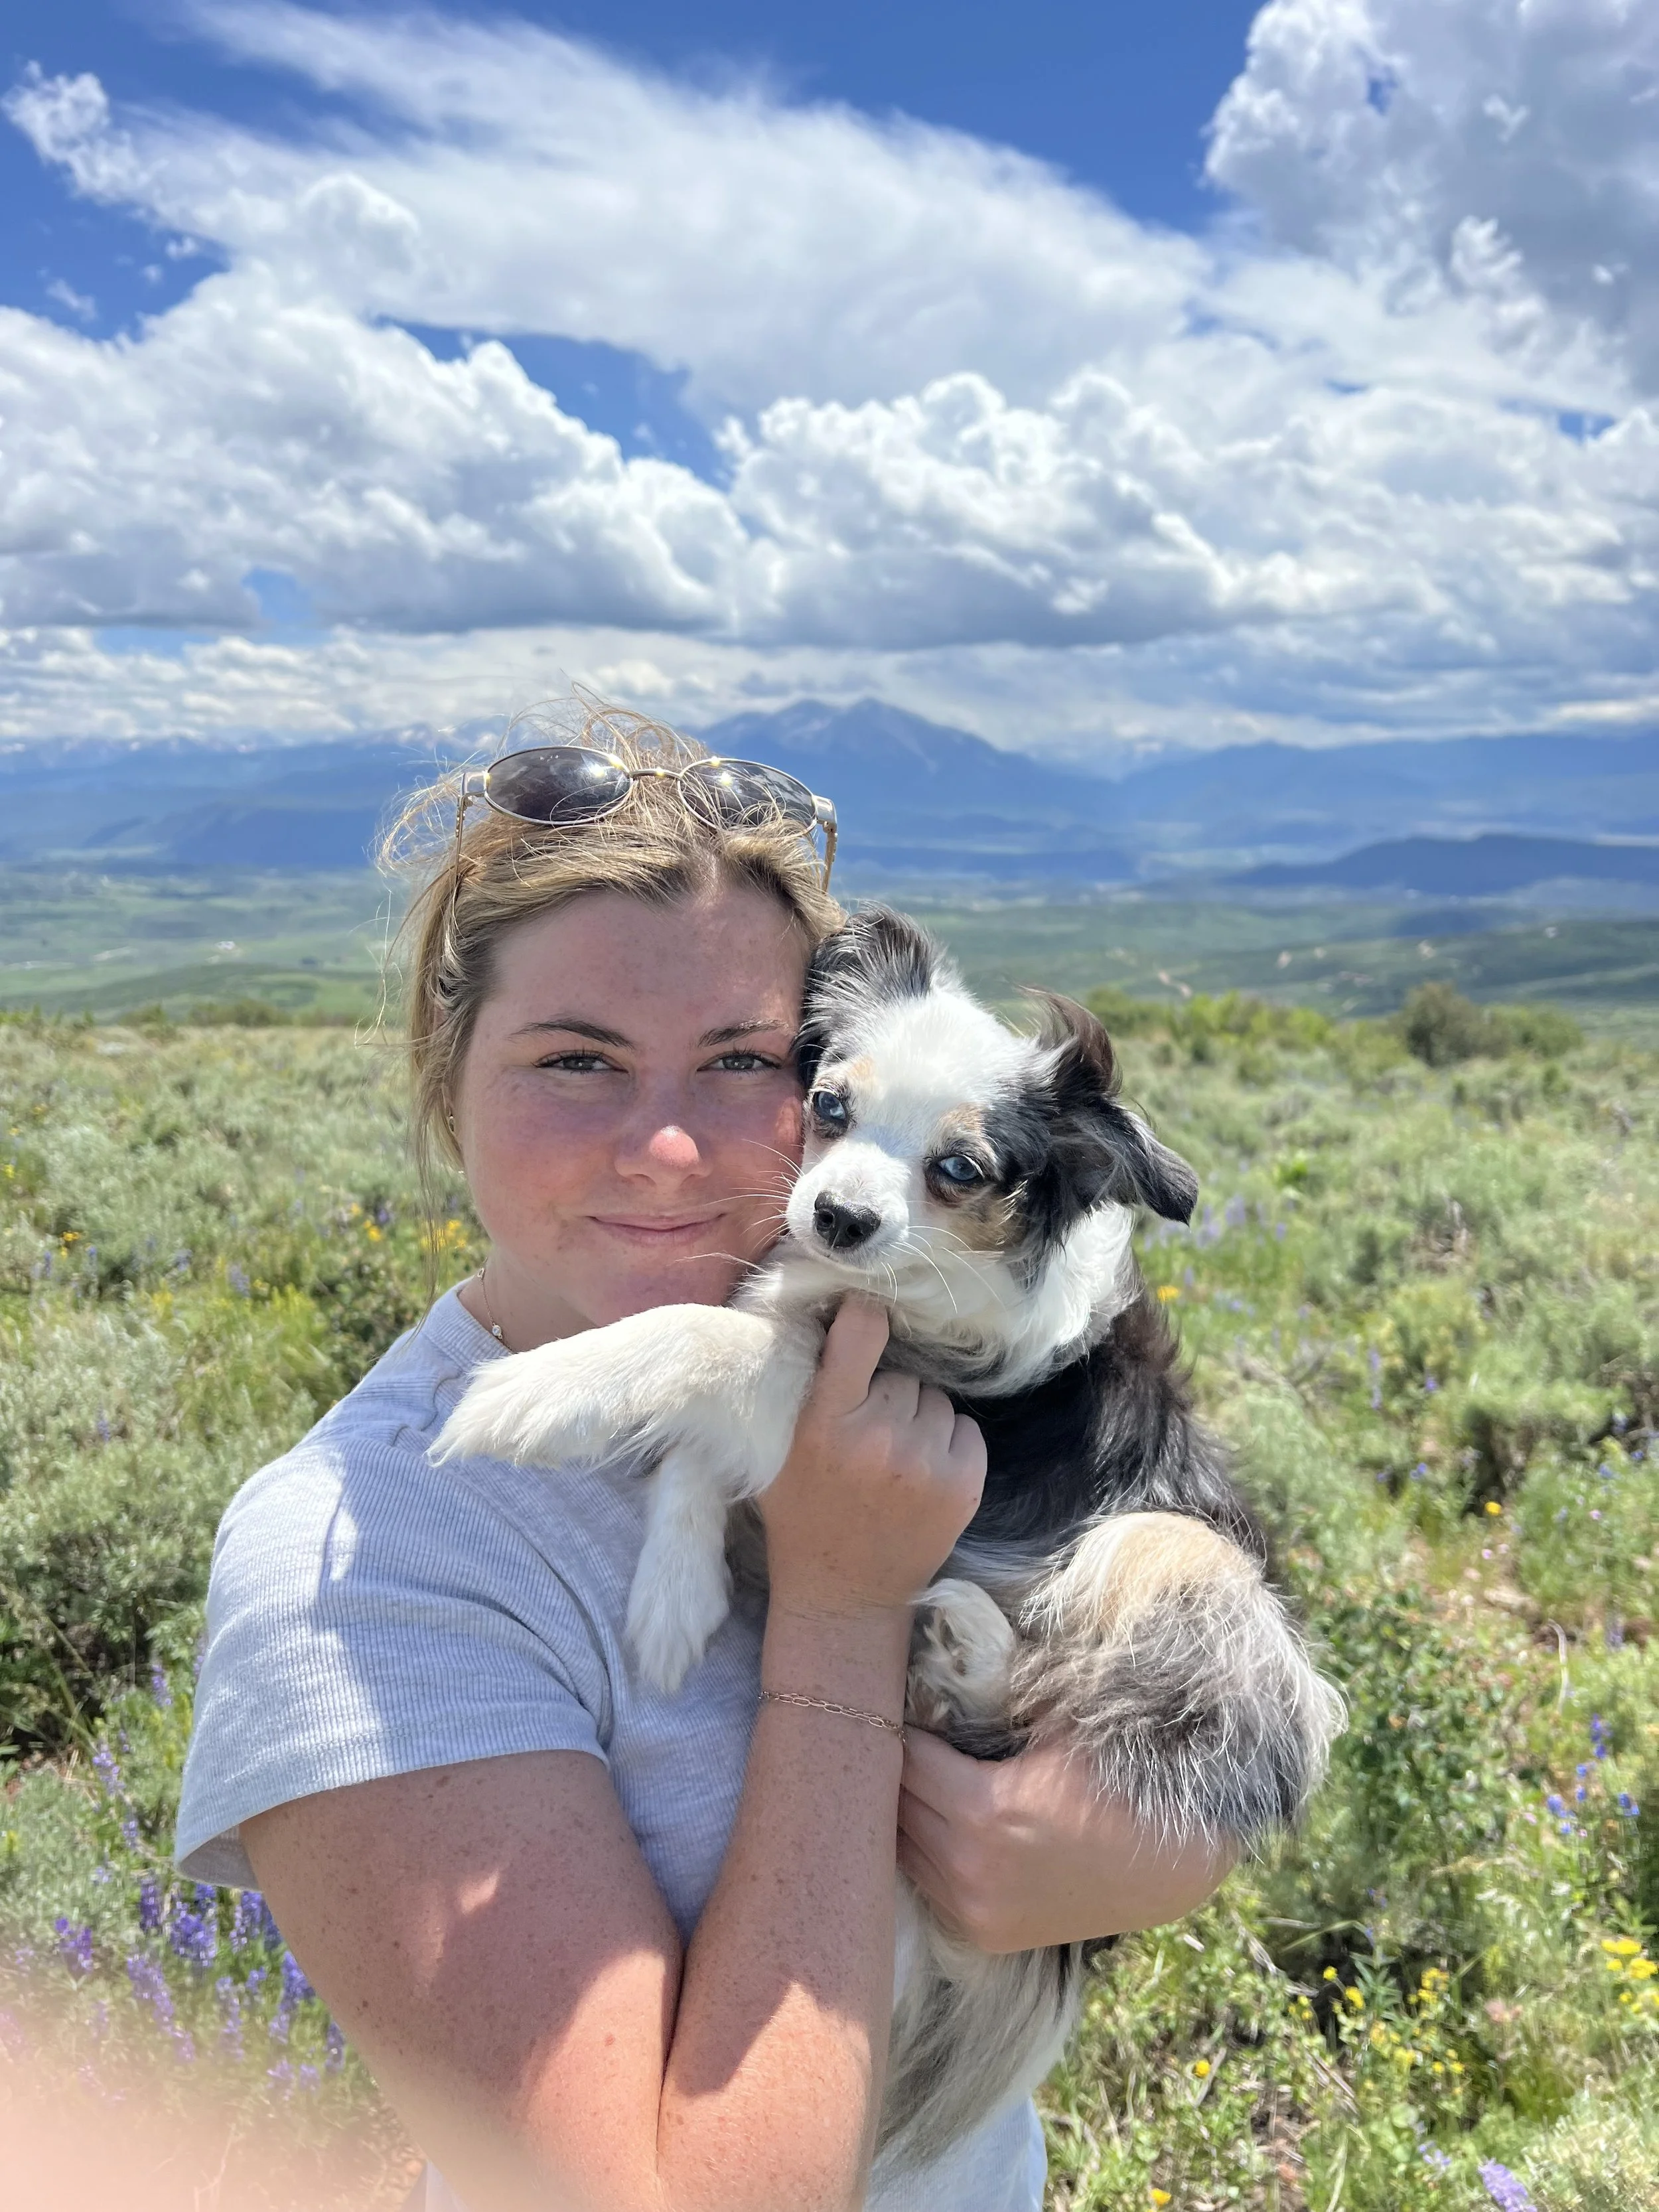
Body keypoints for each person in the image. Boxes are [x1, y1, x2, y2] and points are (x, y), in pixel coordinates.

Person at [175, 706, 1231, 2212]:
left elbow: (1173, 1716)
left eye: (743, 1060)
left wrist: (1144, 1850)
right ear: (443, 1073)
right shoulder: (360, 1563)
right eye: (577, 1060)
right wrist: (841, 1611)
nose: (667, 1149)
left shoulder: (893, 1363)